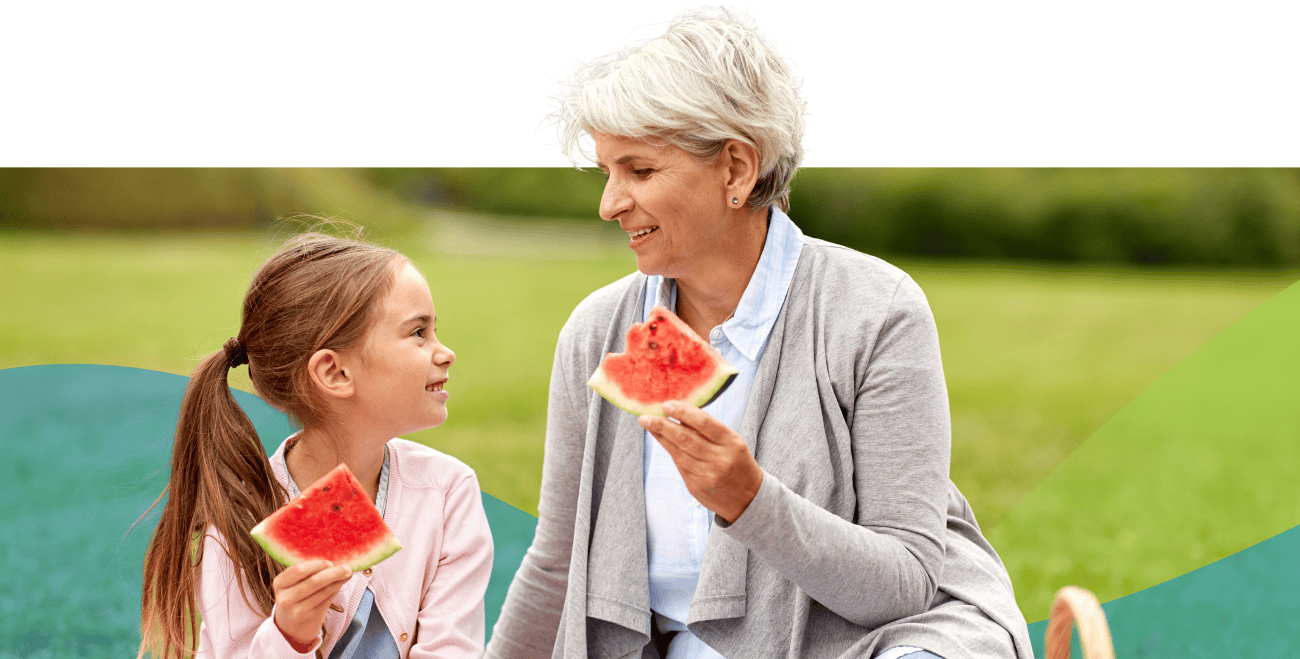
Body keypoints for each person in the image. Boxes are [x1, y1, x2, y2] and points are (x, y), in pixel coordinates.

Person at [487, 10, 1033, 659]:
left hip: (870, 640)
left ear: (736, 169)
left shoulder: (874, 310)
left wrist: (751, 501)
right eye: (606, 172)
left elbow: (903, 586)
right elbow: (556, 562)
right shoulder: (599, 332)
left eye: (638, 171)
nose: (609, 203)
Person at [136, 230, 494, 659]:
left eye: (436, 330)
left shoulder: (448, 491)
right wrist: (290, 636)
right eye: (419, 332)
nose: (445, 352)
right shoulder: (240, 519)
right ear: (335, 373)